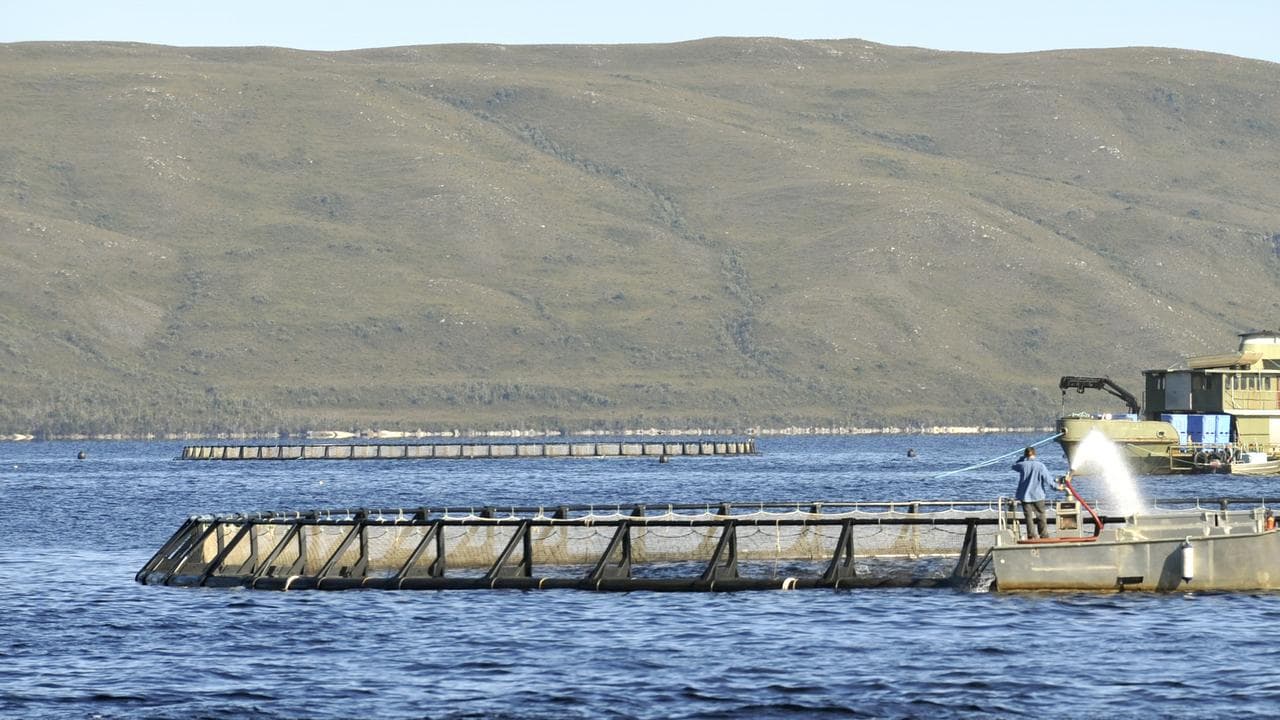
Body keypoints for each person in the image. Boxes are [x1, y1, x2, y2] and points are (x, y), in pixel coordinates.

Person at [1011, 446, 1060, 539]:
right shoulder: (1040, 466)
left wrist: (1022, 458)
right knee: (1041, 516)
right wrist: (1057, 487)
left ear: (1026, 454)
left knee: (1028, 517)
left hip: (1025, 496)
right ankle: (1043, 535)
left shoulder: (1022, 465)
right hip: (1038, 495)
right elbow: (1048, 480)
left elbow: (1013, 466)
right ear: (1035, 454)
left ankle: (1031, 535)